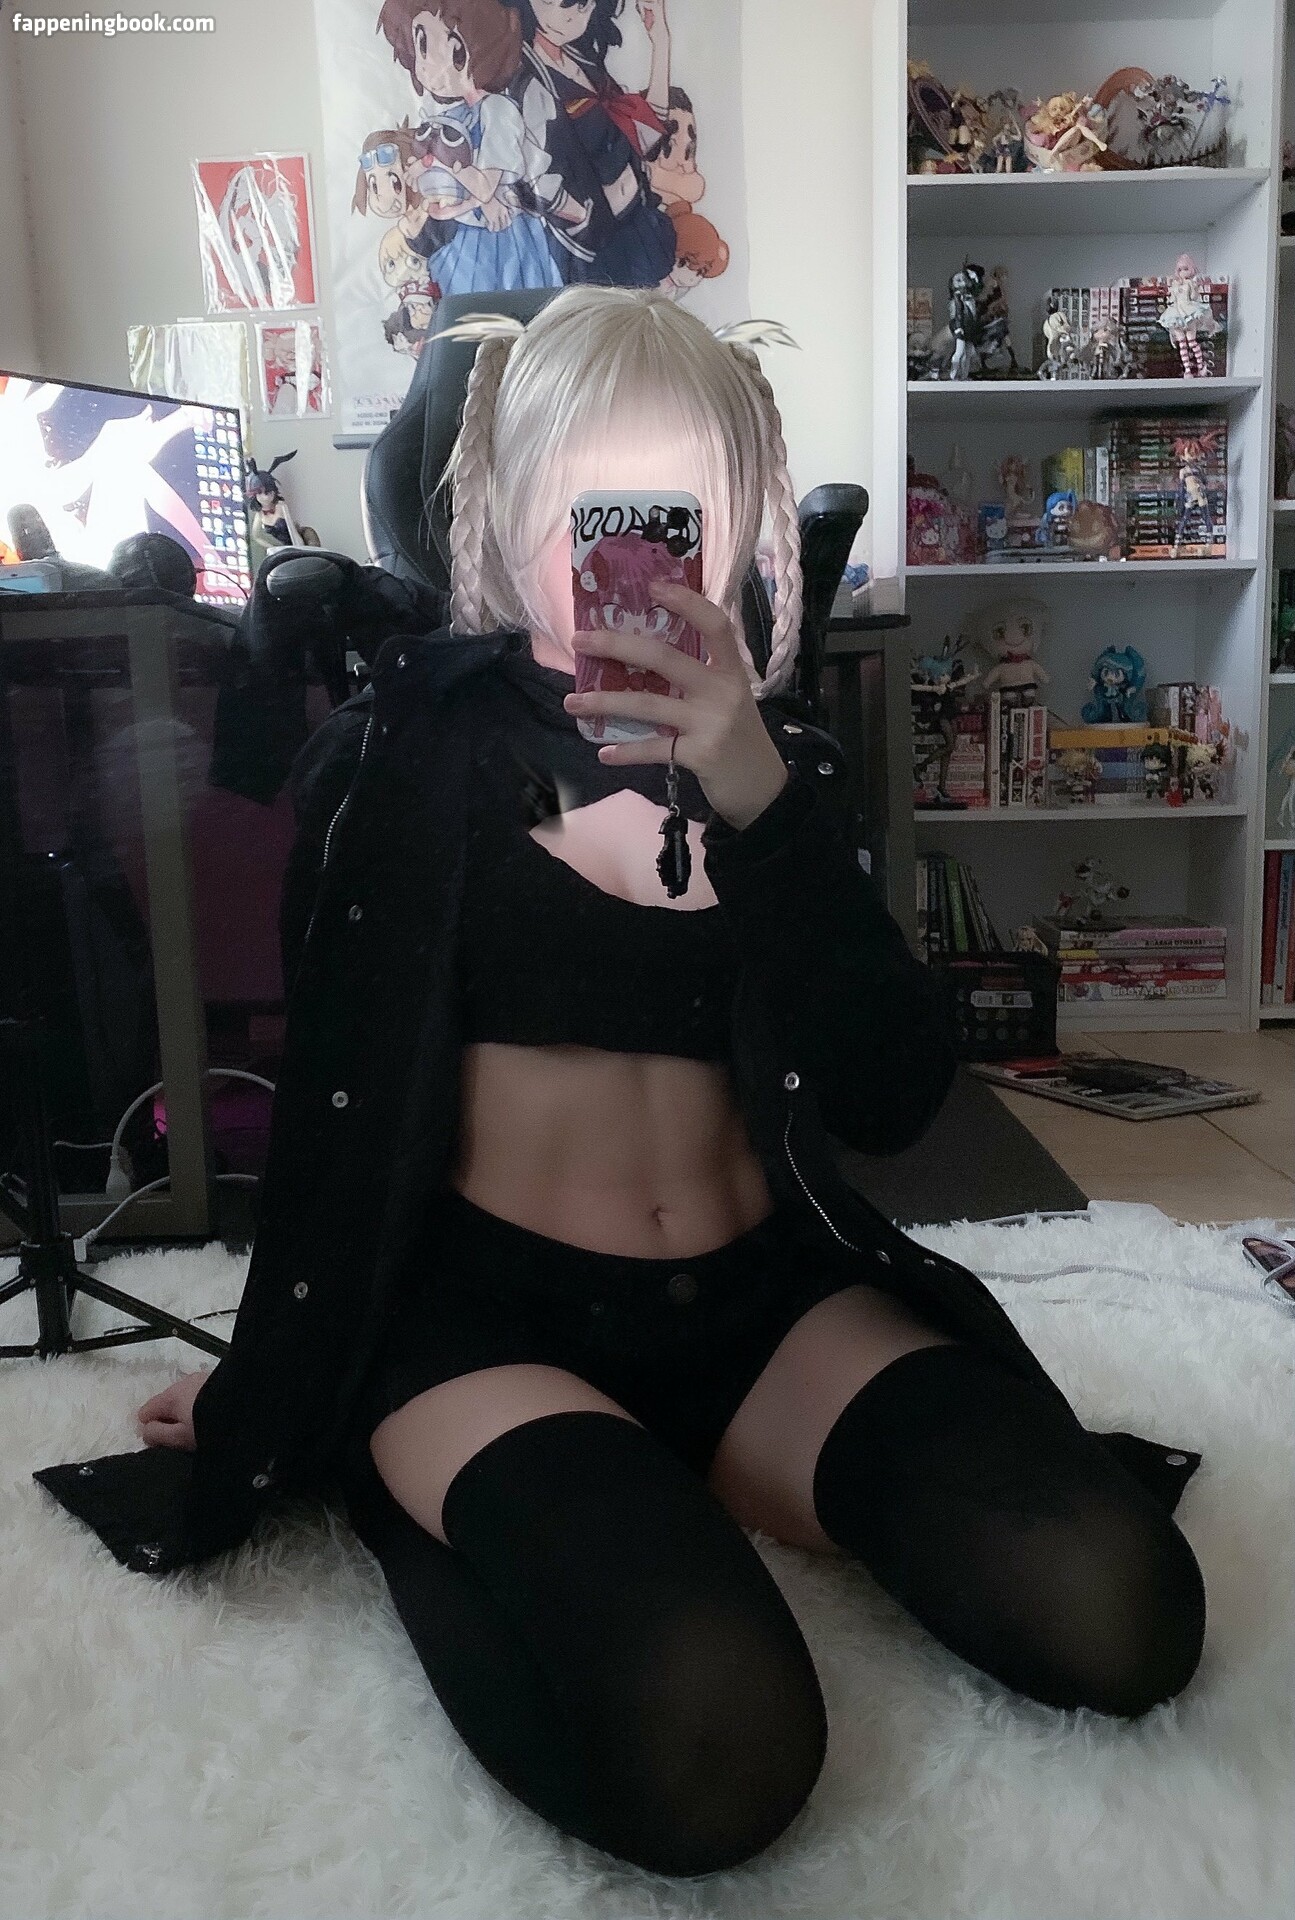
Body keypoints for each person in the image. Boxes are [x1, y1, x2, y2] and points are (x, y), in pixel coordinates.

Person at [44, 288, 1205, 1882]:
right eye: (595, 501)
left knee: (1120, 1605)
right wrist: (278, 1382)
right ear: (514, 502)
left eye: (680, 504)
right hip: (491, 1330)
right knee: (712, 1743)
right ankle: (444, 1496)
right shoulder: (404, 751)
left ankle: (671, 1482)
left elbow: (891, 1096)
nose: (636, 553)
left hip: (762, 1308)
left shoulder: (782, 762)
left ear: (735, 517)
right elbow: (340, 1111)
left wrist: (759, 796)